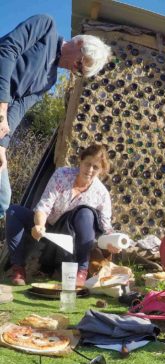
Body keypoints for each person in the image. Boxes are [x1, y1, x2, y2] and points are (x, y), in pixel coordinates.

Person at [0, 14, 112, 218]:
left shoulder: (50, 80)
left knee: (2, 198)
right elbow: (7, 51)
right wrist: (2, 104)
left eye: (80, 72)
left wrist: (3, 144)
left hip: (2, 114)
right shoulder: (45, 27)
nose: (74, 69)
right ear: (78, 43)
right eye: (79, 64)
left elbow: (21, 106)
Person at [6, 143, 120, 287]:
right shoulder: (62, 174)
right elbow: (44, 204)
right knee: (14, 211)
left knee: (86, 213)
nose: (90, 170)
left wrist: (113, 242)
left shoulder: (102, 193)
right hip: (49, 228)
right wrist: (39, 225)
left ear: (102, 170)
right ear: (81, 161)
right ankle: (18, 268)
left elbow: (105, 225)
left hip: (71, 237)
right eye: (87, 164)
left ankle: (82, 270)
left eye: (95, 167)